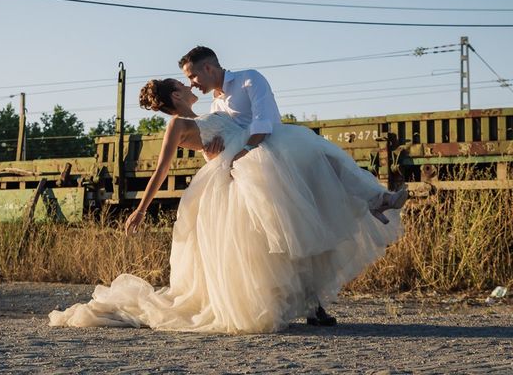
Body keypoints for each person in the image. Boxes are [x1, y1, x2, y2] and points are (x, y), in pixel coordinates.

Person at [48, 74, 406, 333]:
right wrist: (142, 208)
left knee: (296, 222)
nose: (190, 86)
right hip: (236, 184)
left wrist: (221, 149)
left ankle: (320, 295)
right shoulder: (177, 123)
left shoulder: (214, 110)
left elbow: (230, 138)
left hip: (257, 170)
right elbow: (164, 168)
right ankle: (304, 305)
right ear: (175, 92)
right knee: (272, 247)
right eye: (183, 83)